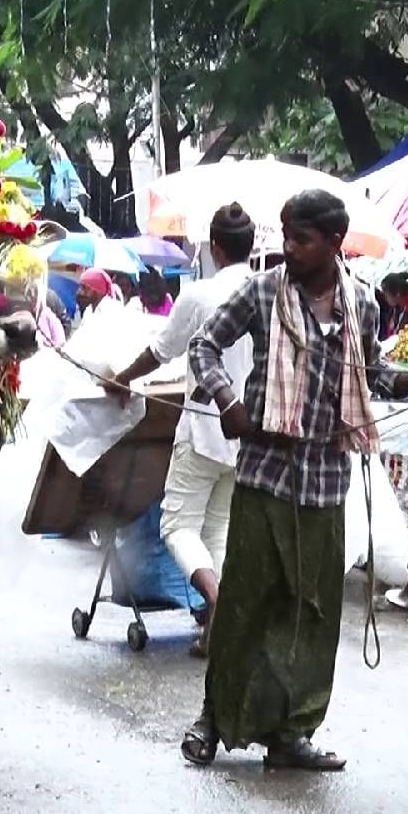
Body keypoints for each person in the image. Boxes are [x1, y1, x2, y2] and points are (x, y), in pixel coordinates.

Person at [180, 189, 408, 771]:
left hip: (326, 482)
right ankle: (213, 718)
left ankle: (292, 734)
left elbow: (370, 374)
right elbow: (204, 346)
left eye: (301, 239)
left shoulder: (362, 305)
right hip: (263, 475)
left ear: (333, 243)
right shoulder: (262, 290)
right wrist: (226, 398)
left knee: (313, 612)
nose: (289, 248)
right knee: (246, 603)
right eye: (286, 236)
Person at [105, 204, 256, 655]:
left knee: (177, 527)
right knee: (218, 532)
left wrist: (122, 379)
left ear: (214, 247)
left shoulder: (200, 295)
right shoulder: (264, 292)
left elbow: (161, 350)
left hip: (206, 427)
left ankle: (217, 599)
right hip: (246, 432)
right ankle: (214, 626)